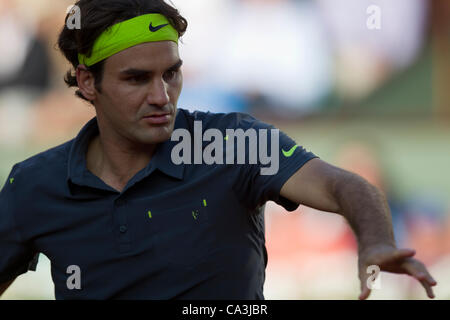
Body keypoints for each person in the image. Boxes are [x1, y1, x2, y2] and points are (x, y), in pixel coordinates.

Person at [0, 0, 437, 300]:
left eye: (171, 73)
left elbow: (344, 185)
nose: (162, 95)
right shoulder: (34, 184)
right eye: (137, 79)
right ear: (87, 82)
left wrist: (375, 242)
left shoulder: (235, 143)